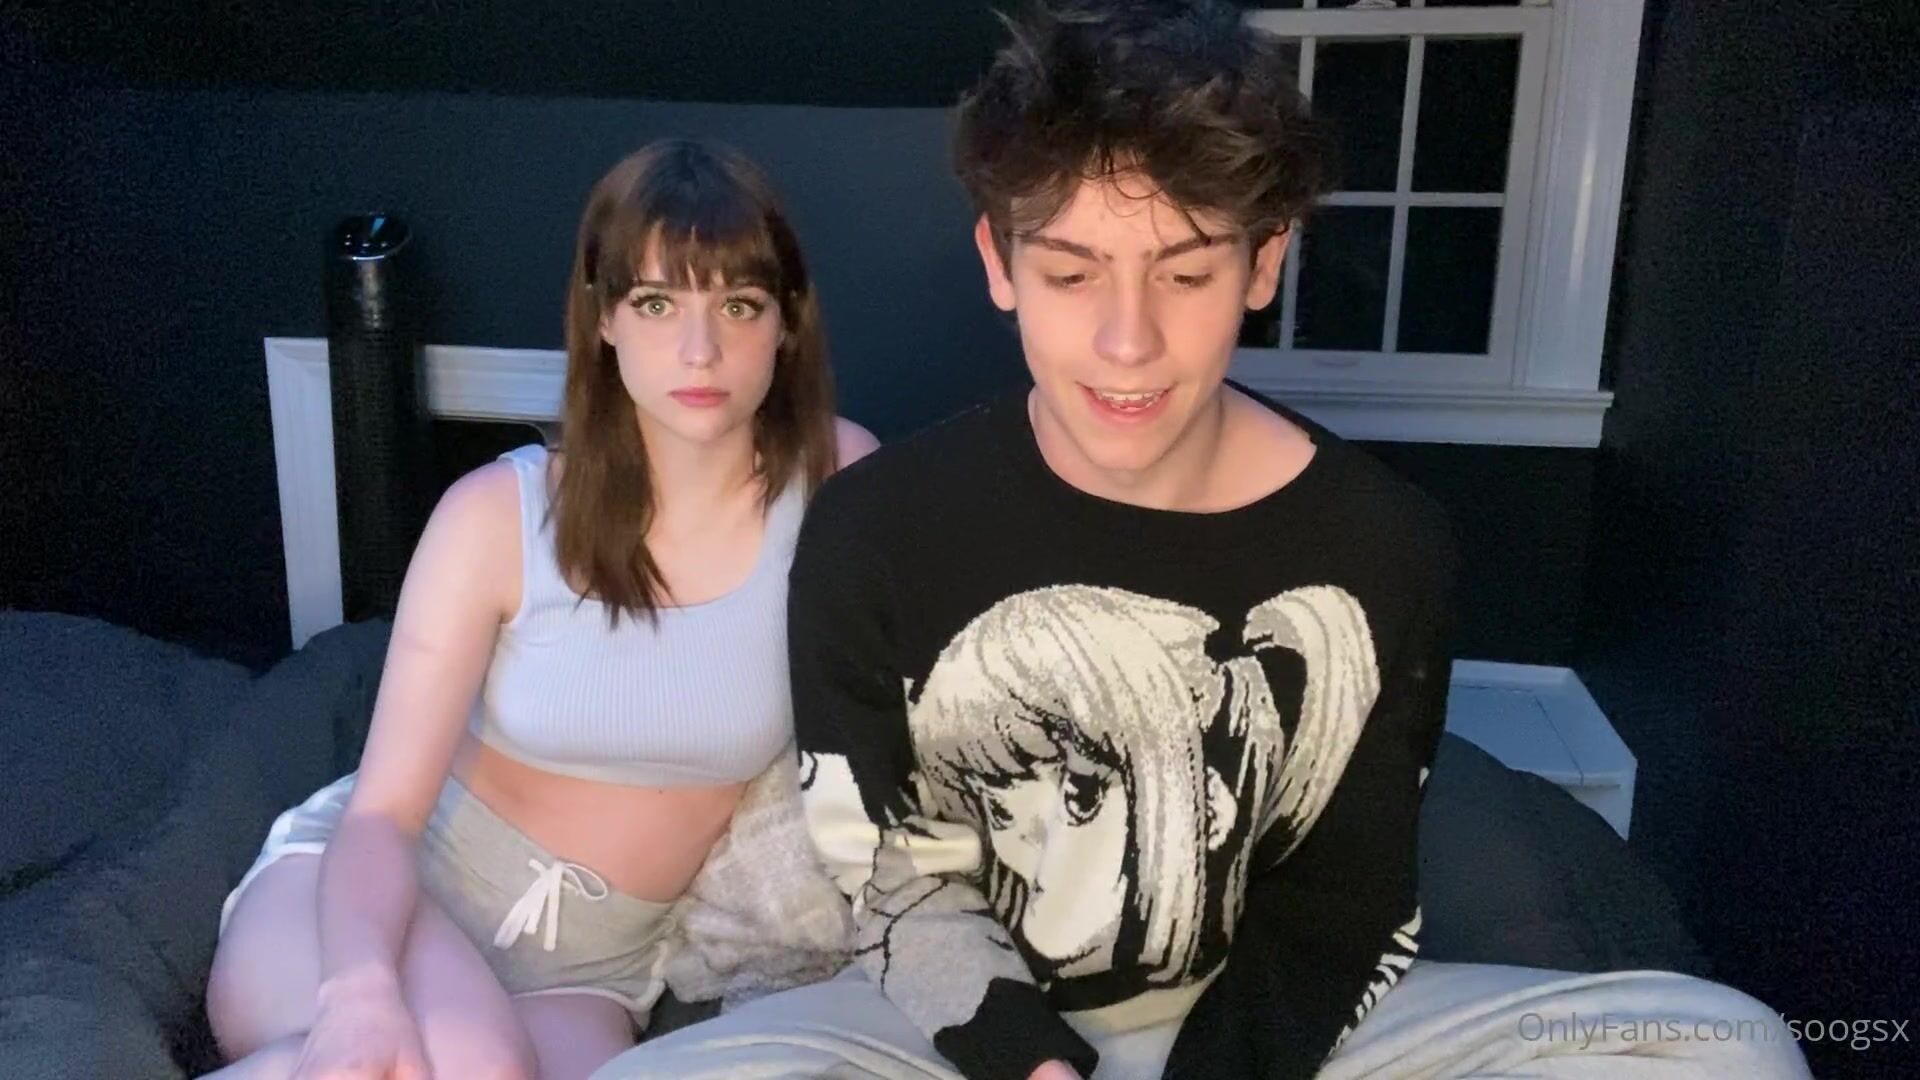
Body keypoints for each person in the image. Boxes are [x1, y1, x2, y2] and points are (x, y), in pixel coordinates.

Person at [589, 4, 1813, 1080]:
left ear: (1263, 262)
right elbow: (892, 871)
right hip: (961, 1034)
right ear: (1000, 265)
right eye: (1072, 274)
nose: (1128, 343)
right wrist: (1031, 1065)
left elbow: (1343, 905)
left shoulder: (1386, 544)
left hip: (1273, 1033)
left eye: (1184, 274)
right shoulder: (873, 529)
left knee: (1728, 1048)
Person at [203, 137, 878, 1080]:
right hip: (367, 912)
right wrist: (363, 994)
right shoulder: (498, 516)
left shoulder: (839, 482)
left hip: (588, 980)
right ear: (604, 319)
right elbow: (381, 816)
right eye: (657, 303)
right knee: (465, 1063)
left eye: (738, 304)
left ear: (786, 322)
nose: (700, 349)